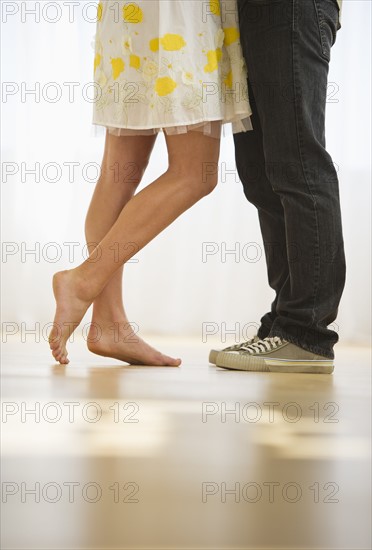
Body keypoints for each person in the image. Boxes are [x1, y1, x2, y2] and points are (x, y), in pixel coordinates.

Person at [48, 0, 252, 365]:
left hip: (131, 13)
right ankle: (82, 282)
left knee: (119, 173)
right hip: (178, 14)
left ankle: (110, 323)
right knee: (195, 173)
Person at [210, 0, 346, 374]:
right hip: (247, 15)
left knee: (298, 163)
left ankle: (306, 333)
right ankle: (284, 323)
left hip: (290, 7)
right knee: (260, 178)